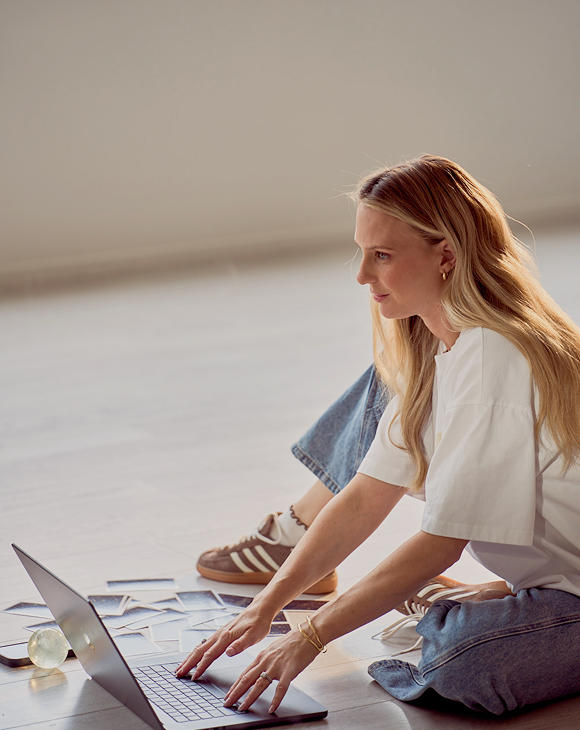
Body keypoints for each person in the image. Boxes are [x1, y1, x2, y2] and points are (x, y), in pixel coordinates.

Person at [176, 154, 580, 716]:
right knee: (455, 646)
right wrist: (266, 607)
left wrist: (309, 638)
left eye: (382, 256)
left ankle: (485, 608)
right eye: (362, 254)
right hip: (562, 577)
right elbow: (365, 495)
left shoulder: (493, 356)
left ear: (446, 255)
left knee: (460, 666)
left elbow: (442, 541)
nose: (362, 275)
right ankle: (491, 603)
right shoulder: (436, 350)